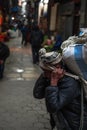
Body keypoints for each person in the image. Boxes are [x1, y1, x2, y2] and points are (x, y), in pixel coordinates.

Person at [33, 48, 87, 130]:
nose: (44, 73)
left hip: (73, 125)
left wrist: (53, 83)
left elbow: (52, 107)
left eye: (45, 71)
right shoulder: (51, 76)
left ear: (57, 68)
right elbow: (37, 94)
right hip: (61, 122)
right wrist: (44, 76)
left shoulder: (70, 83)